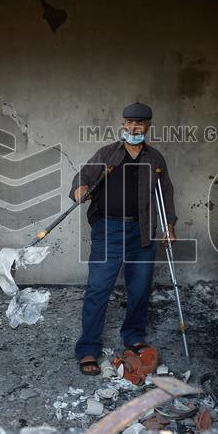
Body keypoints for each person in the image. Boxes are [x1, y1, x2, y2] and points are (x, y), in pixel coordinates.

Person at [69, 102, 177, 375]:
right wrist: (79, 188)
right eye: (129, 122)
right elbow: (84, 175)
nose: (134, 127)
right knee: (98, 288)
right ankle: (88, 348)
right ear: (123, 124)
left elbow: (166, 193)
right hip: (109, 230)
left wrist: (169, 225)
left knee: (140, 288)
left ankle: (133, 336)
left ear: (148, 126)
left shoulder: (155, 159)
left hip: (142, 231)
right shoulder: (107, 153)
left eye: (139, 123)